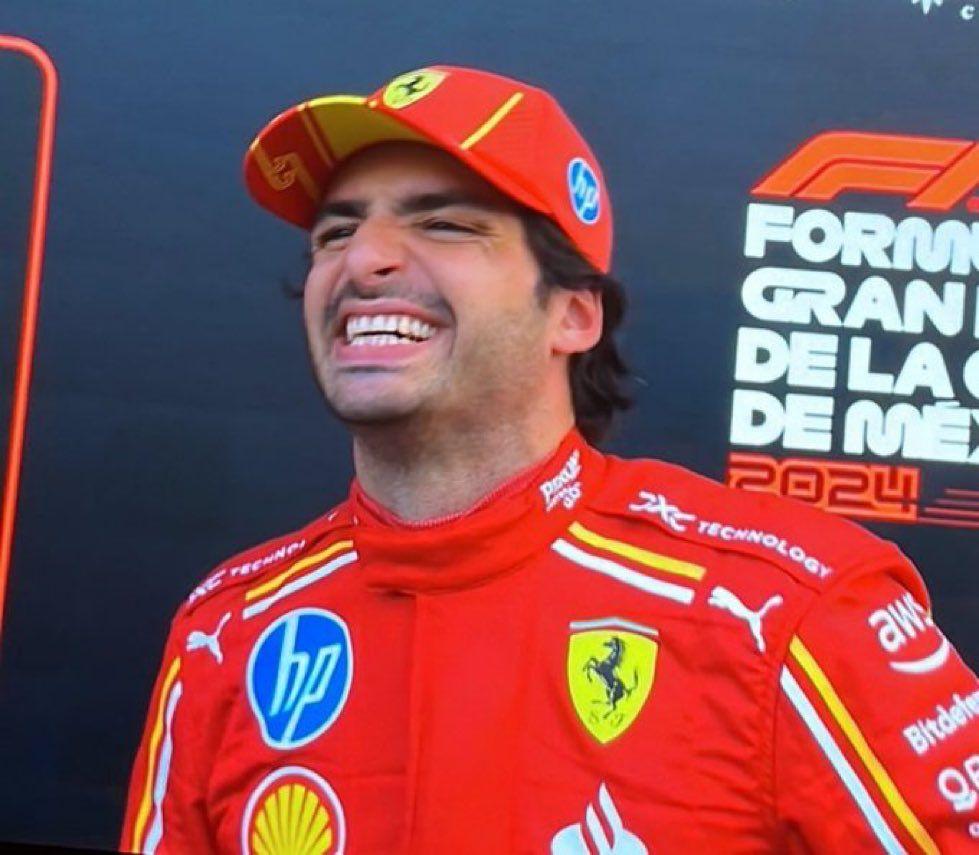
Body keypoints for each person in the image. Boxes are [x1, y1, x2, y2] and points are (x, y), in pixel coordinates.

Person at [121, 65, 979, 854]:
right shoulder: (225, 630)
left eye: (443, 223)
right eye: (334, 232)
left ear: (573, 315)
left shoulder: (784, 607)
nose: (363, 259)